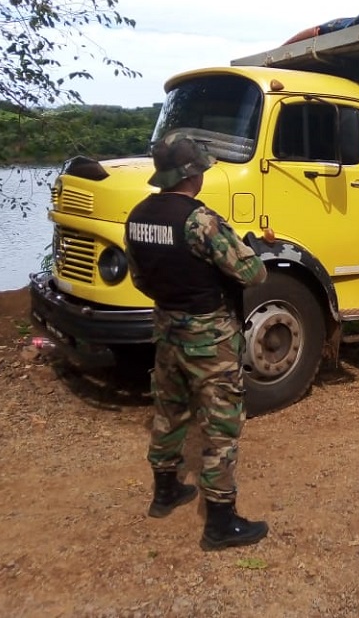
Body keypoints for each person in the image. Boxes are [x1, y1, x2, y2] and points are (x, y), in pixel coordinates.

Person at [124, 134, 270, 551]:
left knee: (169, 410)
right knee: (221, 425)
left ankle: (165, 491)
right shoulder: (200, 220)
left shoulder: (138, 216)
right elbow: (252, 274)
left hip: (167, 328)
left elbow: (138, 277)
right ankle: (221, 523)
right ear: (193, 172)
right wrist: (252, 249)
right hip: (209, 336)